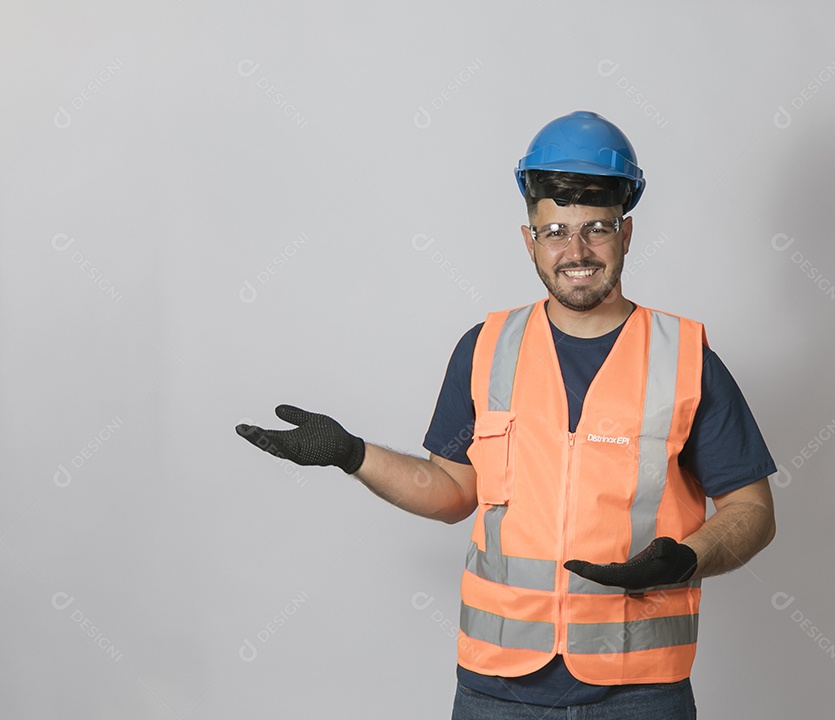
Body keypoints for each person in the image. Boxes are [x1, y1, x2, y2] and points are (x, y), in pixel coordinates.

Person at [237, 110, 777, 719]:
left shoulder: (685, 359)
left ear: (626, 234)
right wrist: (353, 455)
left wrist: (687, 558)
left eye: (596, 227)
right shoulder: (486, 348)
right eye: (555, 231)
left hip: (641, 692)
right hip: (497, 691)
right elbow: (450, 492)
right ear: (529, 240)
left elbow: (751, 510)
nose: (576, 251)